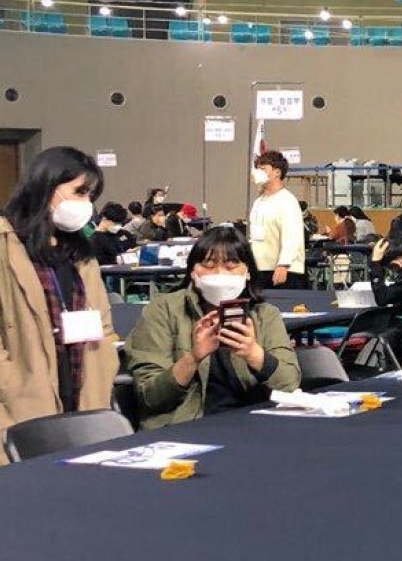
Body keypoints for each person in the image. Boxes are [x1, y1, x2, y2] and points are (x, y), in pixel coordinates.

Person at [0, 147, 120, 466]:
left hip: (83, 396)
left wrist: (104, 367)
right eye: (79, 192)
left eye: (91, 195)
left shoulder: (81, 253)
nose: (86, 204)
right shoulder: (2, 245)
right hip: (19, 404)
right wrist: (11, 384)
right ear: (45, 187)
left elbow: (103, 325)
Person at [124, 227, 299, 429]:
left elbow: (290, 385)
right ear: (193, 271)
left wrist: (254, 354)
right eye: (209, 264)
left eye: (231, 264)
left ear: (248, 271)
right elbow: (149, 397)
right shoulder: (163, 311)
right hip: (187, 429)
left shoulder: (265, 315)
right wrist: (193, 357)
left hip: (254, 426)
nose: (220, 273)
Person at [248, 150, 306, 289]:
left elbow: (292, 236)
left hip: (284, 270)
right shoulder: (258, 202)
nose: (258, 172)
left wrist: (283, 264)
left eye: (263, 169)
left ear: (277, 173)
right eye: (257, 169)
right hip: (260, 268)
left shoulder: (287, 201)